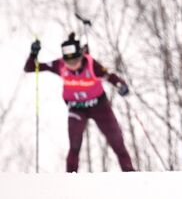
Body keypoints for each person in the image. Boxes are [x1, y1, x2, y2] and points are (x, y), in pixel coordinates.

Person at [24, 33, 135, 172]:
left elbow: (110, 76)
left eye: (75, 61)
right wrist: (34, 53)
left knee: (117, 141)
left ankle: (130, 173)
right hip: (76, 108)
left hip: (99, 106)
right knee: (75, 145)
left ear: (81, 57)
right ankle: (71, 178)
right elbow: (30, 68)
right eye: (68, 63)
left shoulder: (91, 64)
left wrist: (121, 85)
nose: (72, 66)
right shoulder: (60, 65)